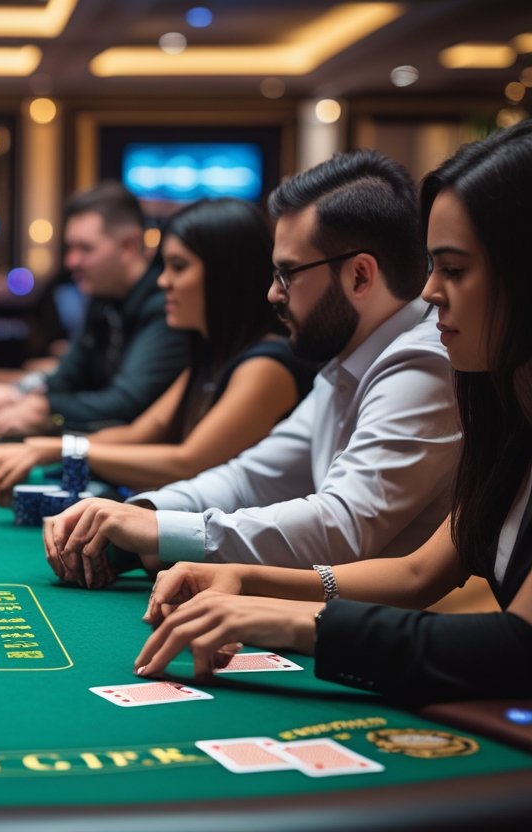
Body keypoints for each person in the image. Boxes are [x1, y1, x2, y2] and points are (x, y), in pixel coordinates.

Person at [133, 121, 532, 704]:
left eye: (454, 269)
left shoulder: (426, 361)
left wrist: (284, 620)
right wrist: (247, 582)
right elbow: (416, 574)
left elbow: (516, 645)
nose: (428, 292)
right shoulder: (506, 416)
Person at [45, 149, 461, 585]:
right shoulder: (348, 361)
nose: (273, 294)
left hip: (380, 637)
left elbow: (341, 525)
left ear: (359, 276)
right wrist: (142, 513)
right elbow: (252, 478)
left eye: (287, 273)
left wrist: (157, 530)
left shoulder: (423, 361)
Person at [0, 198, 318, 504]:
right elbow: (139, 432)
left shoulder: (267, 366)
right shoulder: (210, 358)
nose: (162, 281)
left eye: (178, 267)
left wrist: (56, 451)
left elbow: (186, 461)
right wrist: (33, 448)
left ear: (225, 275)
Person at [0, 182, 187, 436]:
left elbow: (127, 402)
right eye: (70, 248)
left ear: (129, 246)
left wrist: (45, 408)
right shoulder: (102, 297)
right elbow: (70, 374)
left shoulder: (166, 305)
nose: (71, 261)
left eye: (85, 248)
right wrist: (16, 393)